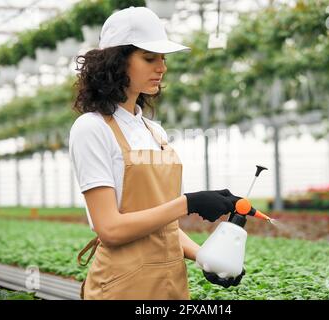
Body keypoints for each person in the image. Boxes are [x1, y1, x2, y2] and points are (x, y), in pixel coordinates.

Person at [69, 6, 245, 300]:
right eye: (149, 58)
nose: (161, 67)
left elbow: (162, 227)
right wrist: (188, 203)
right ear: (116, 62)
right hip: (121, 285)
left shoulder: (155, 133)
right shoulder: (91, 129)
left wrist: (205, 257)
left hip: (170, 284)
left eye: (163, 58)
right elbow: (110, 228)